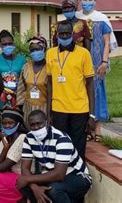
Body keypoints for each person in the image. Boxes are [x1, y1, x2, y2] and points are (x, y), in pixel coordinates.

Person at [18, 110, 92, 203]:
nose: (36, 128)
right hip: (50, 175)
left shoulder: (61, 138)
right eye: (32, 125)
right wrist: (34, 187)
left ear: (47, 122)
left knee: (54, 189)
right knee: (22, 184)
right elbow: (25, 168)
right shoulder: (29, 138)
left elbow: (59, 175)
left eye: (39, 124)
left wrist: (28, 179)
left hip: (77, 176)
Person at [46, 20, 95, 158]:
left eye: (68, 34)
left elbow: (90, 85)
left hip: (79, 109)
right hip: (58, 109)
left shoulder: (84, 53)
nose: (65, 36)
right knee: (60, 147)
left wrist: (91, 115)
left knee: (78, 148)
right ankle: (62, 176)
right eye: (61, 34)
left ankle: (80, 176)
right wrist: (49, 112)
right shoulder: (50, 53)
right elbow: (50, 84)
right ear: (57, 35)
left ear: (72, 34)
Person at [77, 0, 118, 142]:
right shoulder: (77, 18)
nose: (87, 2)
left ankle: (98, 128)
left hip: (97, 63)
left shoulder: (101, 19)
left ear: (95, 1)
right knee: (82, 94)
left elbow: (107, 42)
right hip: (79, 63)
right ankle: (87, 127)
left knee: (98, 94)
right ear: (80, 1)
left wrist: (104, 62)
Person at [17, 35, 49, 126]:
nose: (35, 52)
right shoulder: (26, 67)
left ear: (44, 49)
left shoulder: (50, 67)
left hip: (44, 108)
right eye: (32, 50)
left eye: (38, 49)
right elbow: (21, 88)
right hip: (28, 108)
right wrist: (20, 107)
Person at [0, 30, 26, 109]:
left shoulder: (22, 60)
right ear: (0, 45)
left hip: (17, 100)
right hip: (0, 99)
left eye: (10, 43)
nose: (7, 46)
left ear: (13, 44)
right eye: (4, 44)